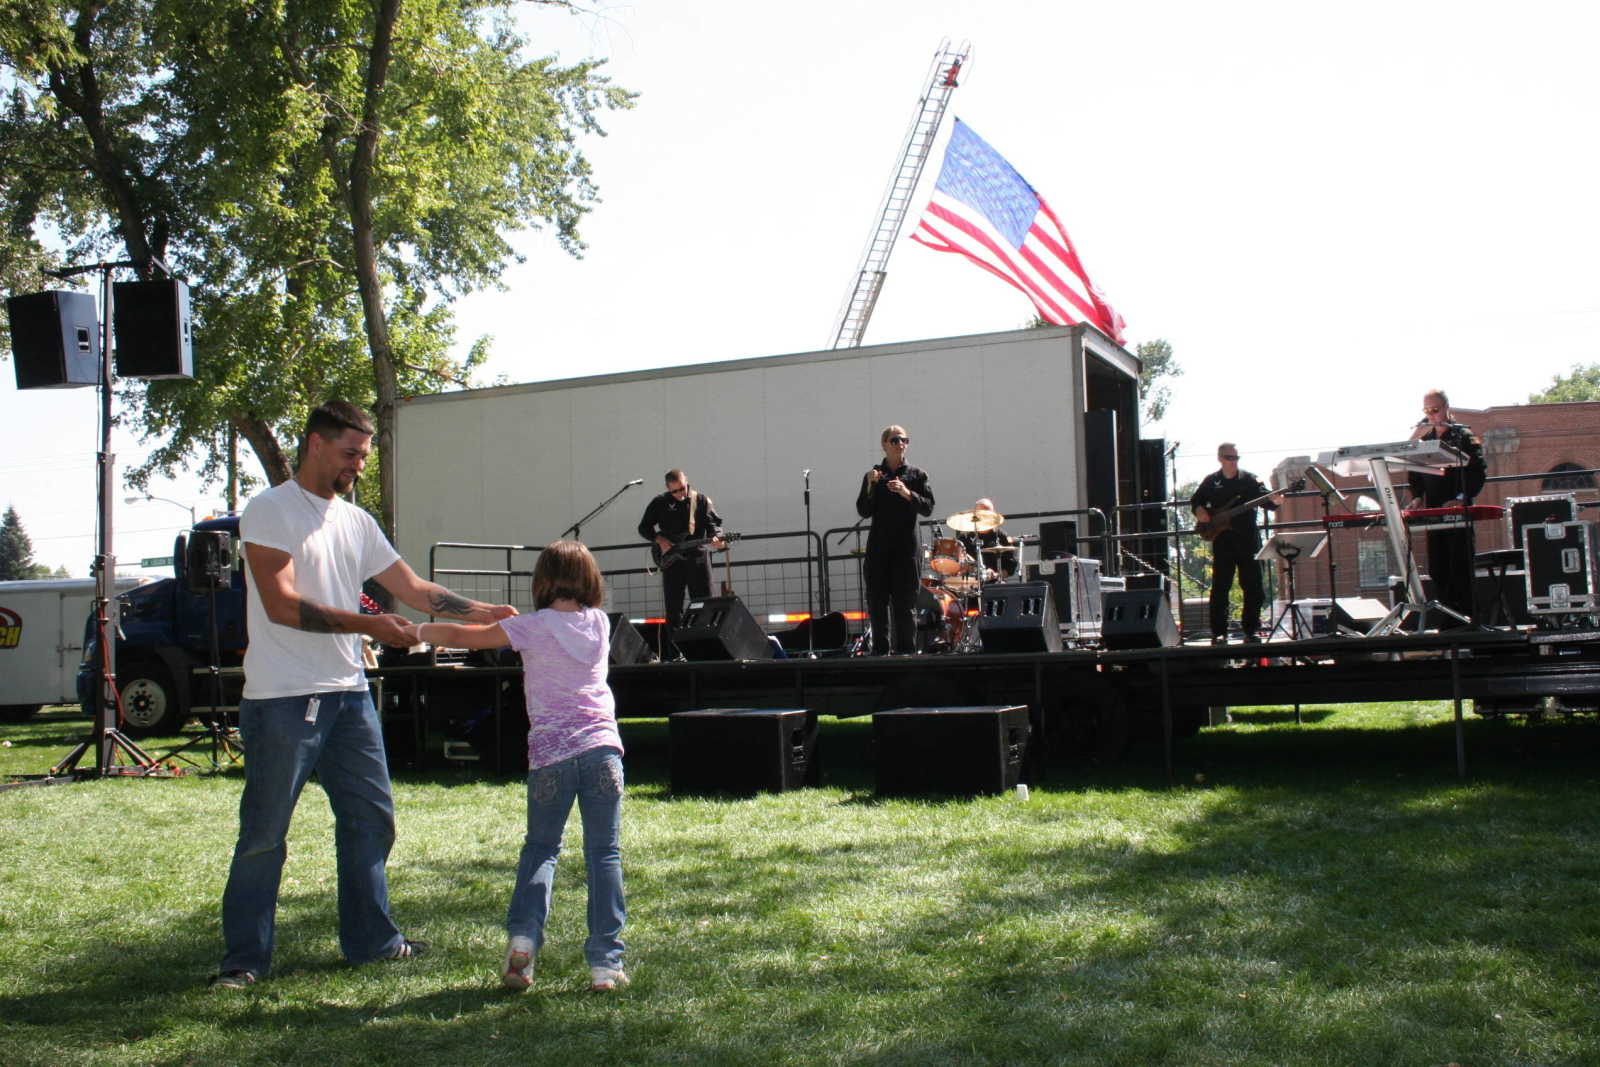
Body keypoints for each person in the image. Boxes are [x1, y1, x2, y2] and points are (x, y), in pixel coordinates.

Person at [213, 401, 517, 990]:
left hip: (348, 696)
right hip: (281, 699)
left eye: (364, 456)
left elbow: (414, 589)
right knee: (264, 836)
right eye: (350, 453)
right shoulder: (269, 510)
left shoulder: (356, 520)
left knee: (371, 822)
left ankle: (372, 943)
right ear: (315, 444)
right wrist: (368, 625)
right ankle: (245, 960)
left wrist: (484, 612)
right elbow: (281, 606)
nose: (358, 465)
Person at [401, 541, 627, 993]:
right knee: (604, 854)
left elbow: (463, 638)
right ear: (590, 580)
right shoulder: (600, 623)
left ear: (541, 581)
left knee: (541, 850)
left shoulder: (530, 627)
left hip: (550, 757)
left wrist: (416, 631)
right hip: (602, 751)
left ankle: (523, 943)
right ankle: (605, 965)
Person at [1190, 443, 1284, 644]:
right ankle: (1219, 632)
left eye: (1236, 458)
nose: (1233, 461)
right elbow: (1196, 500)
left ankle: (1251, 630)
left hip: (1248, 538)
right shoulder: (1211, 481)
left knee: (1253, 586)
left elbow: (1267, 500)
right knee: (1220, 586)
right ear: (1220, 458)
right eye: (1229, 457)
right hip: (1223, 540)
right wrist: (1200, 511)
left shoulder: (1249, 479)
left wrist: (1276, 501)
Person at [1407, 388, 1487, 623]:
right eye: (1426, 411)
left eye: (1435, 410)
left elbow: (1478, 471)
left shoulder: (1463, 436)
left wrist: (1462, 496)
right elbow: (1415, 473)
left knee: (1459, 565)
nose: (1431, 415)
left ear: (1446, 409)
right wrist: (1417, 496)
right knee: (1438, 567)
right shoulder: (1425, 440)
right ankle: (1448, 621)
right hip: (1434, 511)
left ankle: (1468, 620)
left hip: (1457, 510)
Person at [855, 424, 934, 654]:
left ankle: (906, 653)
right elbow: (863, 510)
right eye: (895, 440)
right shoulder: (874, 475)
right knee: (877, 602)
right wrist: (870, 485)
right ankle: (880, 652)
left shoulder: (917, 475)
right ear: (884, 444)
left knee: (905, 604)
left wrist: (906, 493)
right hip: (879, 548)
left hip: (906, 550)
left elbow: (928, 507)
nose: (901, 444)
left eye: (904, 440)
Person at [637, 469, 724, 645]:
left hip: (697, 559)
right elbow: (644, 527)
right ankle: (676, 650)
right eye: (675, 491)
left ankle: (705, 647)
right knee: (673, 608)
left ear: (687, 482)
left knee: (704, 604)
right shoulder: (659, 502)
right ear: (668, 488)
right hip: (672, 561)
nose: (680, 494)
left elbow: (714, 525)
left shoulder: (701, 500)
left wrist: (717, 538)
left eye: (682, 488)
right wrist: (660, 540)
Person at [962, 497, 1017, 580]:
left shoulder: (1000, 536)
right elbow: (959, 563)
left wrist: (996, 575)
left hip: (994, 583)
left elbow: (1011, 565)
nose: (984, 516)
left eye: (987, 513)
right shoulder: (966, 537)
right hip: (971, 583)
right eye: (981, 513)